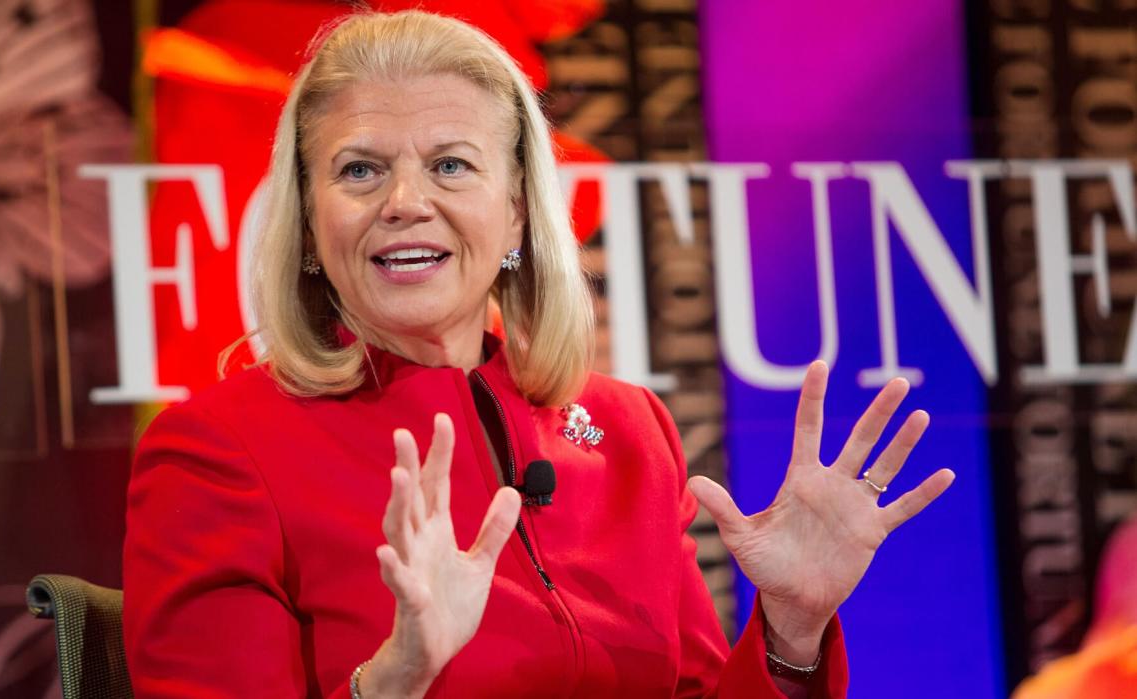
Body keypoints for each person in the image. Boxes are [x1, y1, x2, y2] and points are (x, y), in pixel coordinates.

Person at [122, 10, 955, 698]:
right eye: (361, 170)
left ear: (518, 214)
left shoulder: (629, 430)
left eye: (451, 165)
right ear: (306, 223)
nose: (406, 202)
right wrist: (396, 676)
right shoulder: (218, 450)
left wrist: (791, 629)